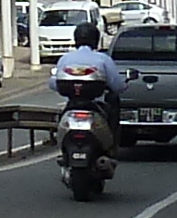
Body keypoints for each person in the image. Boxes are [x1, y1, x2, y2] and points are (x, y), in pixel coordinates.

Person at [48, 16, 129, 150]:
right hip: (95, 105)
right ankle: (112, 147)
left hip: (71, 104)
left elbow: (53, 83)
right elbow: (117, 86)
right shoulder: (103, 59)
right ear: (96, 40)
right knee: (113, 108)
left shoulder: (65, 59)